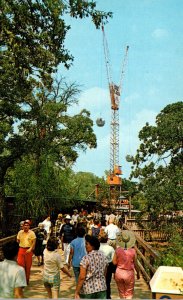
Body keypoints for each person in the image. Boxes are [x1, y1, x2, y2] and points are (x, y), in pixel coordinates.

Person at [75, 235, 108, 299]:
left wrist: (77, 291)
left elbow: (82, 277)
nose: (85, 246)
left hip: (88, 290)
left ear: (92, 246)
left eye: (87, 244)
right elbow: (104, 273)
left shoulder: (86, 258)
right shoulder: (103, 256)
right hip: (102, 288)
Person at [112, 230, 140, 299]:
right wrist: (138, 273)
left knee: (121, 292)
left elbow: (114, 262)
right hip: (129, 274)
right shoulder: (133, 251)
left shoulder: (117, 250)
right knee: (129, 293)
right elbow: (136, 264)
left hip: (119, 273)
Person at [17, 219, 36, 284]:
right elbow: (18, 241)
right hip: (21, 249)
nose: (26, 226)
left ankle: (26, 280)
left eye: (27, 225)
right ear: (22, 226)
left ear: (29, 226)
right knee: (20, 265)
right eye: (24, 225)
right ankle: (21, 279)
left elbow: (34, 242)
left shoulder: (32, 233)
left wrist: (30, 249)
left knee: (28, 266)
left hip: (28, 250)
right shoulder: (20, 232)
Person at [98, 231, 115, 299]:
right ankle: (107, 296)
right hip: (108, 268)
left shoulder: (97, 247)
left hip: (98, 267)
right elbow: (113, 261)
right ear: (107, 239)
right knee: (107, 283)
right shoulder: (111, 249)